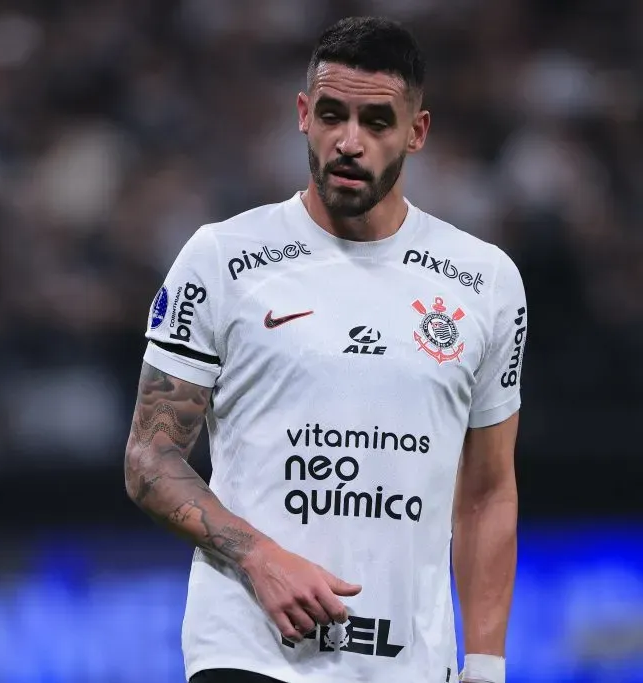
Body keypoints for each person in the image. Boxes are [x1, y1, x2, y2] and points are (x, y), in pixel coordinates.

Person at [124, 16, 525, 683]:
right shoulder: (223, 259)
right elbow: (148, 457)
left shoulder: (484, 281)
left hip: (409, 663)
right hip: (250, 652)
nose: (349, 141)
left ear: (416, 132)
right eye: (333, 115)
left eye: (376, 122)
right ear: (303, 115)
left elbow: (486, 493)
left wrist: (484, 667)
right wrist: (260, 557)